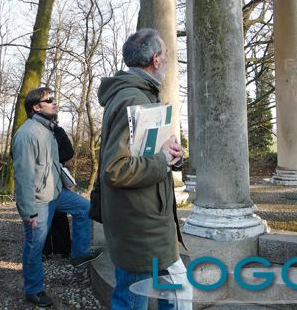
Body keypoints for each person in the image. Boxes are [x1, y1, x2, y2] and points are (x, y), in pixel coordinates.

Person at [97, 28, 192, 309]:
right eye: (165, 54)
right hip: (142, 227)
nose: (167, 60)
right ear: (156, 60)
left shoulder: (138, 95)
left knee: (137, 297)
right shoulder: (133, 99)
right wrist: (163, 160)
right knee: (175, 294)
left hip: (140, 222)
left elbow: (143, 153)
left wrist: (173, 154)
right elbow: (115, 169)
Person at [12, 87, 103, 307]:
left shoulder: (48, 130)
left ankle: (79, 253)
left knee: (85, 208)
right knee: (35, 245)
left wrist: (65, 182)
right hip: (38, 201)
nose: (55, 102)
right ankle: (33, 289)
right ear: (36, 107)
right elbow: (23, 177)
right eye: (49, 100)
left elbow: (53, 165)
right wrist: (28, 211)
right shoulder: (27, 134)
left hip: (56, 193)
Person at [42, 123, 74, 258]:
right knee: (43, 214)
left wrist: (53, 161)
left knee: (59, 213)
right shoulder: (30, 132)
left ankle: (63, 249)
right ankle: (44, 251)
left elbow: (69, 152)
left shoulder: (59, 131)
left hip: (56, 176)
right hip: (39, 178)